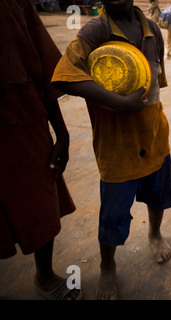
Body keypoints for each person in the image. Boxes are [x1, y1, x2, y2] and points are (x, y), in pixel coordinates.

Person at [51, 0, 171, 300]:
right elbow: (64, 75)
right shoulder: (96, 29)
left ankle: (154, 233)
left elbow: (156, 82)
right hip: (116, 143)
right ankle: (108, 266)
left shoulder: (151, 32)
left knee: (157, 195)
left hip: (153, 132)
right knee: (113, 214)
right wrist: (119, 102)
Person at [0, 0, 79, 300]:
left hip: (20, 115)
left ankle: (44, 275)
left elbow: (44, 64)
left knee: (40, 196)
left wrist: (61, 131)